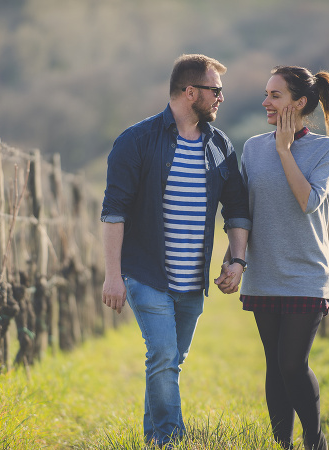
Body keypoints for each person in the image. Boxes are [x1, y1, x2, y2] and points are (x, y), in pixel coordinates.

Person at [101, 54, 251, 447]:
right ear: (190, 92)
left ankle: (154, 439)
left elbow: (236, 208)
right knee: (164, 356)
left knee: (169, 363)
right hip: (146, 273)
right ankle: (172, 441)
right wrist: (113, 276)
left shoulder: (219, 147)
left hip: (192, 281)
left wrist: (237, 259)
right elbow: (113, 213)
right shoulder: (135, 141)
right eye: (215, 90)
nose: (221, 98)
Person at [216, 65, 329, 450]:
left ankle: (315, 441)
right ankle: (283, 445)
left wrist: (284, 149)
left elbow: (309, 201)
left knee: (293, 363)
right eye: (266, 94)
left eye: (275, 95)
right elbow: (245, 211)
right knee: (275, 367)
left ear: (300, 102)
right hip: (264, 273)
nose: (266, 102)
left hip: (306, 275)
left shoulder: (326, 149)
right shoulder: (253, 148)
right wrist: (234, 261)